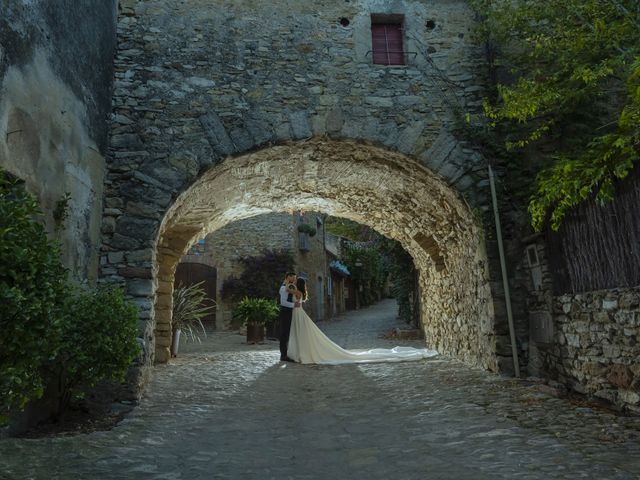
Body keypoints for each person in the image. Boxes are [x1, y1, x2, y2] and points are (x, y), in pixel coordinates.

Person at [287, 278, 438, 365]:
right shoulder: (300, 291)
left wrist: (288, 283)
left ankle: (304, 353)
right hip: (298, 313)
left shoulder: (297, 292)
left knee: (303, 333)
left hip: (298, 312)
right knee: (303, 334)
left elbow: (288, 290)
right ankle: (303, 352)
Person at [278, 271, 297, 362]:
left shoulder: (288, 286)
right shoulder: (283, 288)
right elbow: (283, 302)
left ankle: (286, 354)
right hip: (285, 312)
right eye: (293, 277)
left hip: (288, 312)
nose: (294, 279)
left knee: (287, 333)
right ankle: (283, 355)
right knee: (284, 333)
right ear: (288, 277)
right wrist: (294, 305)